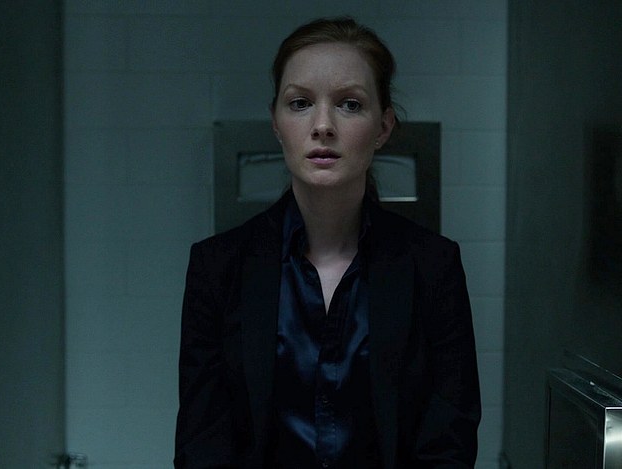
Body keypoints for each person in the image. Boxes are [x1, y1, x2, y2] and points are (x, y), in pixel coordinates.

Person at [174, 17, 481, 469]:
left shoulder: (434, 265)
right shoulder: (216, 267)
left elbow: (449, 439)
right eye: (299, 103)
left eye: (350, 105)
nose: (322, 125)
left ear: (383, 126)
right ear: (276, 123)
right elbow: (202, 443)